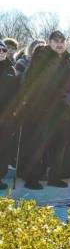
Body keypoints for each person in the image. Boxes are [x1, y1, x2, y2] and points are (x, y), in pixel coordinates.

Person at [15, 31, 70, 189]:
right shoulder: (41, 57)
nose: (59, 43)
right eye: (55, 40)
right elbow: (34, 81)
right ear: (49, 42)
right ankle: (32, 179)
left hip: (62, 111)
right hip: (41, 110)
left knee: (59, 146)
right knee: (38, 147)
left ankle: (54, 177)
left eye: (62, 40)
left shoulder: (69, 62)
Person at [0, 40, 19, 190]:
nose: (1, 52)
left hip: (6, 116)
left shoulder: (10, 68)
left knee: (4, 148)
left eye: (3, 50)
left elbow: (15, 92)